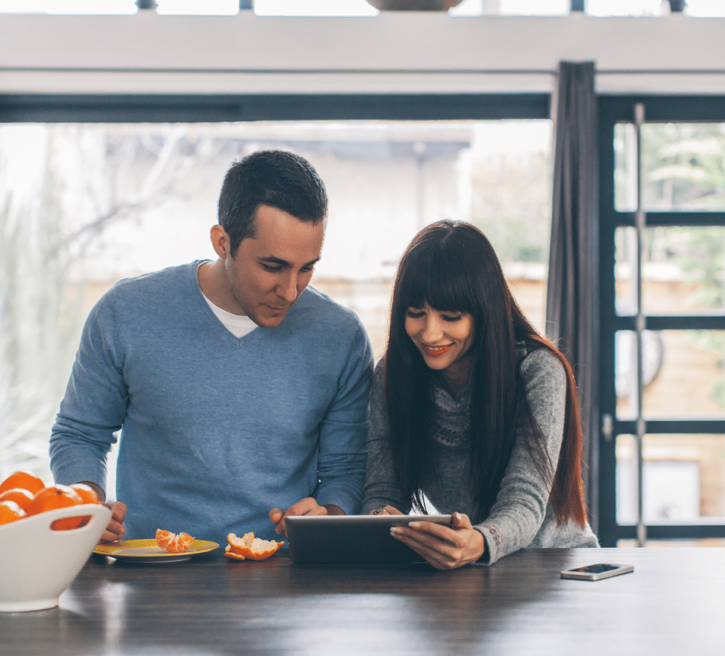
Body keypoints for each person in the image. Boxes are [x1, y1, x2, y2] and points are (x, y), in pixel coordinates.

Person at [50, 150, 374, 544]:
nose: (290, 291)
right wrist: (87, 504)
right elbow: (81, 434)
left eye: (306, 268)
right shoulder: (125, 313)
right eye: (272, 266)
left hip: (284, 578)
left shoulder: (341, 336)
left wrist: (330, 515)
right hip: (152, 571)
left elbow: (347, 468)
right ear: (223, 242)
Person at [361, 220, 597, 570]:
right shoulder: (392, 376)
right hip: (471, 570)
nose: (430, 333)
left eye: (451, 316)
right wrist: (380, 519)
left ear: (484, 312)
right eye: (416, 313)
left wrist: (479, 542)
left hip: (554, 564)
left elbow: (524, 501)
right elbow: (381, 491)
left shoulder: (539, 370)